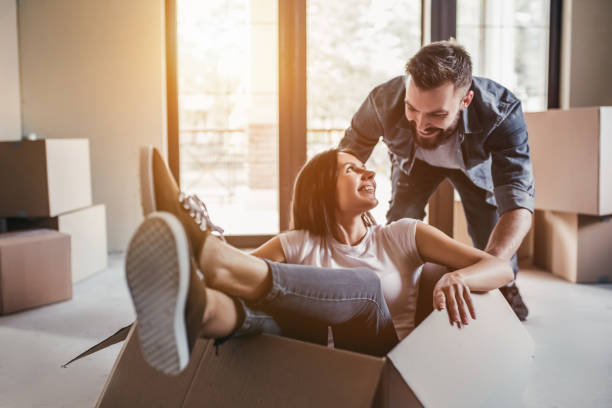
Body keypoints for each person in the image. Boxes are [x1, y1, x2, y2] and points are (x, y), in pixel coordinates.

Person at [126, 146, 512, 376]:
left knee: (365, 287)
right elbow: (231, 291)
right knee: (265, 312)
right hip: (305, 368)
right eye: (351, 168)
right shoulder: (295, 243)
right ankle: (202, 312)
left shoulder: (403, 233)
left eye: (364, 166)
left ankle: (212, 251)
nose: (368, 171)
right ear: (323, 190)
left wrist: (459, 278)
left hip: (381, 369)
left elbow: (499, 268)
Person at [338, 40, 534, 320]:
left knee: (487, 230)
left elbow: (518, 202)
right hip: (414, 164)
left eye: (437, 114)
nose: (420, 124)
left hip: (472, 168)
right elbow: (345, 159)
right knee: (401, 220)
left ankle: (507, 286)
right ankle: (399, 291)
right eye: (412, 109)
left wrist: (489, 271)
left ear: (466, 100)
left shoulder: (502, 110)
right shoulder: (382, 101)